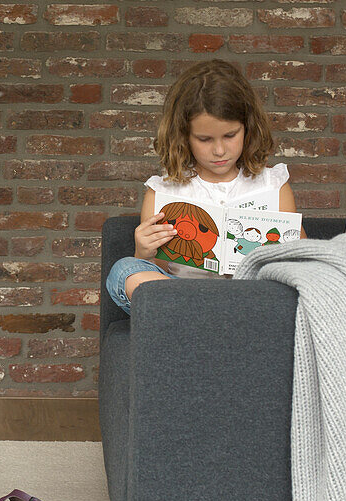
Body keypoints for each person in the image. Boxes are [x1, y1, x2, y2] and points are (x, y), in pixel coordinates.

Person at [106, 58, 305, 314]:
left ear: (247, 128)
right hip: (186, 291)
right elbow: (158, 273)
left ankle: (201, 319)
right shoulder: (162, 192)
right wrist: (143, 252)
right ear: (184, 136)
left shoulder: (273, 184)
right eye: (204, 139)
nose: (219, 150)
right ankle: (210, 316)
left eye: (230, 135)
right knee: (124, 270)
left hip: (252, 293)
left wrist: (293, 243)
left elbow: (298, 265)